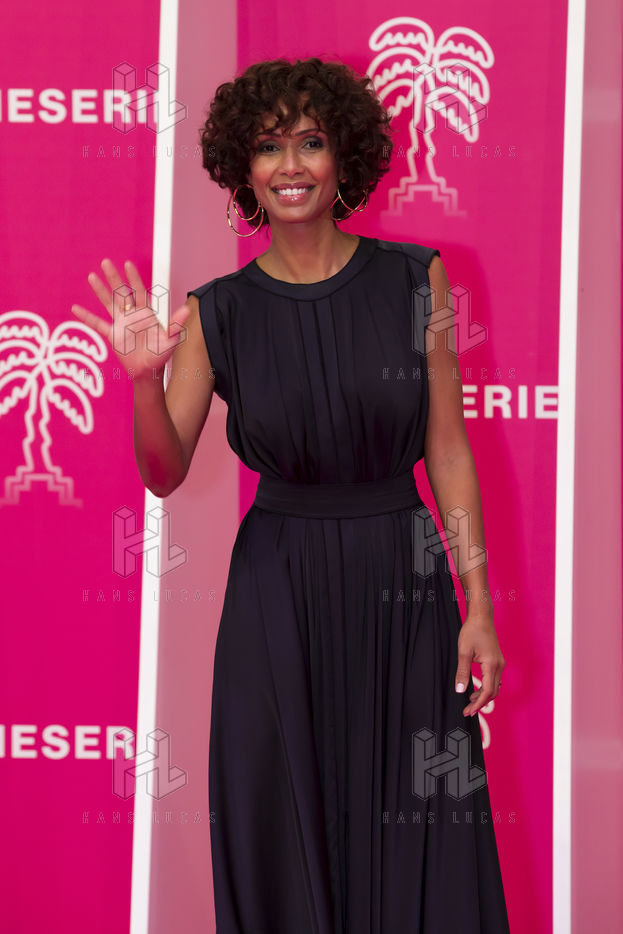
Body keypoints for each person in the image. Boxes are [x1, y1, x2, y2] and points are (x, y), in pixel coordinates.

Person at [72, 56, 510, 934]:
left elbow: (447, 447)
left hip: (401, 577)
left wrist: (479, 606)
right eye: (268, 147)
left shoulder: (414, 277)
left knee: (416, 822)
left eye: (309, 142)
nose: (290, 165)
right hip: (277, 585)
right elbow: (163, 472)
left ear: (344, 155)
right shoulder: (218, 310)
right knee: (279, 817)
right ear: (244, 168)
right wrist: (144, 383)